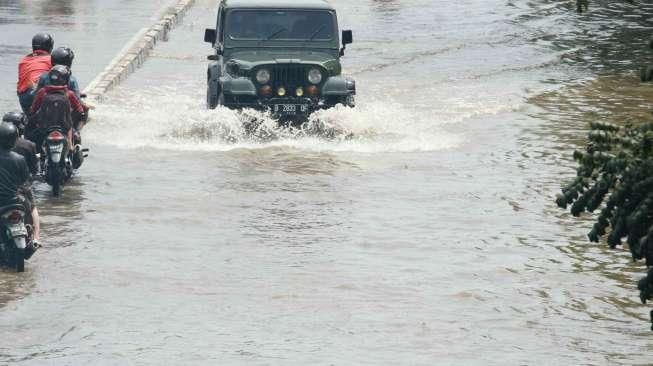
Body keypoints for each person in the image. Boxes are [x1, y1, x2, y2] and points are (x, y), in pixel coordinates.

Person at [2, 112, 40, 246]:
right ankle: (36, 238)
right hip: (16, 198)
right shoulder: (20, 157)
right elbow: (26, 179)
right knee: (33, 207)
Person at [29, 65, 85, 150]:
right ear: (66, 79)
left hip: (44, 128)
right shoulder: (69, 94)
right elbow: (80, 111)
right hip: (65, 128)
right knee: (73, 133)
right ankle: (72, 147)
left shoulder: (42, 92)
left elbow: (33, 110)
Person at [16, 33, 54, 114]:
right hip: (40, 94)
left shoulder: (23, 60)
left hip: (23, 96)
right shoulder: (51, 59)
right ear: (50, 47)